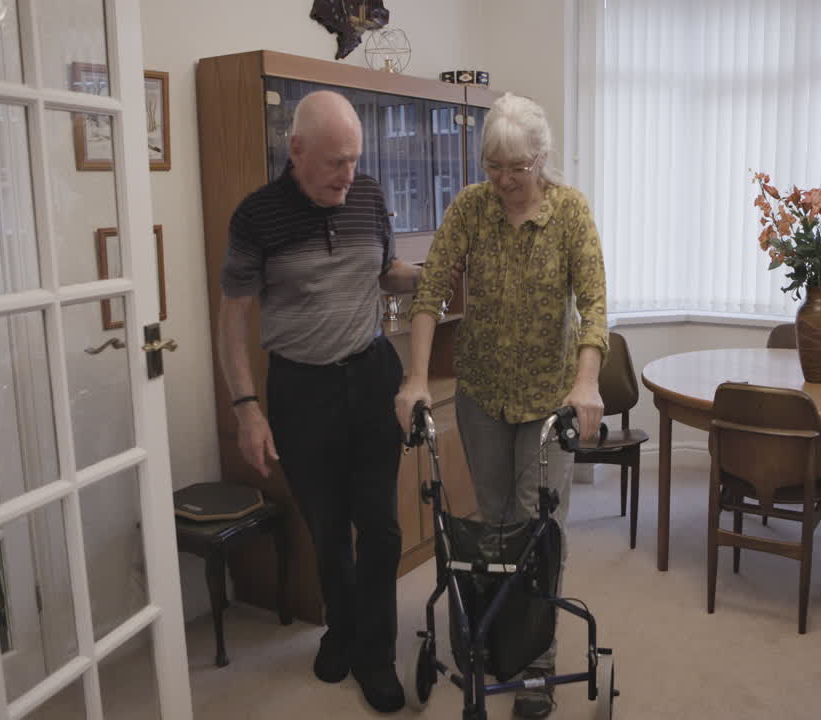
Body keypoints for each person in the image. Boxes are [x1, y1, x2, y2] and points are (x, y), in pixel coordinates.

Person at [394, 92, 608, 719]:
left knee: (537, 529)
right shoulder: (470, 208)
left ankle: (536, 664)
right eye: (495, 167)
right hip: (483, 393)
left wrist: (587, 381)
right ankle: (491, 638)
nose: (506, 181)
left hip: (549, 401)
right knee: (490, 524)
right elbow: (430, 290)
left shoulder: (570, 213)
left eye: (518, 168)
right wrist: (414, 379)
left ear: (542, 158)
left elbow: (594, 305)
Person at [217, 90, 420, 714]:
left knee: (381, 528)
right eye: (335, 162)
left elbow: (383, 271)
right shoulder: (256, 217)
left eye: (355, 160)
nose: (347, 176)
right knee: (329, 530)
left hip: (371, 375)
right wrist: (247, 407)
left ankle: (377, 655)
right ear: (295, 150)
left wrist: (435, 274)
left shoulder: (370, 196)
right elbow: (231, 322)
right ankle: (342, 629)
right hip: (301, 389)